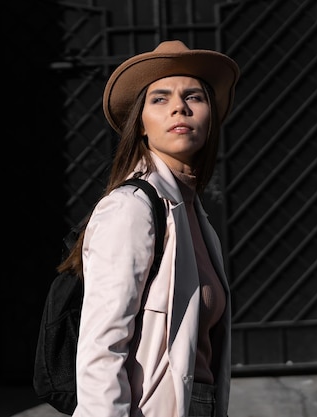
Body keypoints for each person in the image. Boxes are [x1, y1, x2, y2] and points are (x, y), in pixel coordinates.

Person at [58, 40, 240, 417]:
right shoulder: (132, 209)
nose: (179, 107)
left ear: (210, 116)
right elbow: (101, 348)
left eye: (194, 97)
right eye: (159, 99)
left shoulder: (191, 210)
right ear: (140, 125)